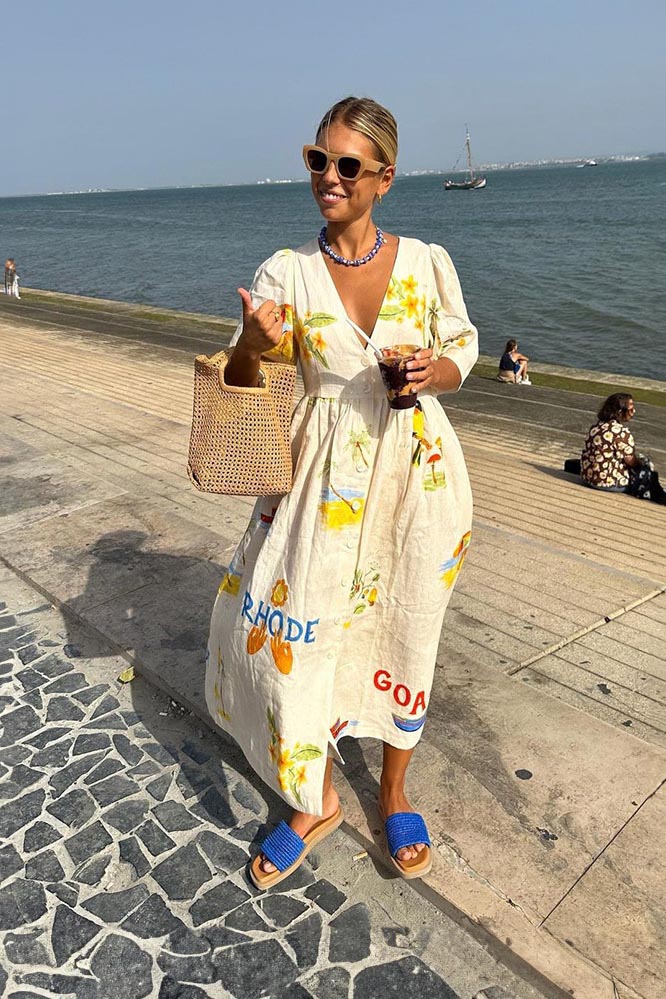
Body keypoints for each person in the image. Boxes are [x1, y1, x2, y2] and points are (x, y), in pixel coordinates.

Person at [205, 97, 478, 890]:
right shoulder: (285, 272)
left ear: (384, 178)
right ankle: (315, 796)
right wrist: (252, 345)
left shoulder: (425, 261)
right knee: (296, 635)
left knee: (404, 632)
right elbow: (244, 381)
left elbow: (461, 349)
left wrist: (431, 371)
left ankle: (393, 792)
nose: (329, 175)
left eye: (348, 164)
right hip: (315, 480)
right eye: (317, 159)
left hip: (417, 478)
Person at [580, 393, 665, 503]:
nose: (634, 412)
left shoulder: (596, 427)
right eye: (631, 410)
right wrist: (642, 464)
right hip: (606, 483)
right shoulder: (621, 433)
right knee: (645, 467)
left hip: (588, 477)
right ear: (620, 412)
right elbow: (630, 461)